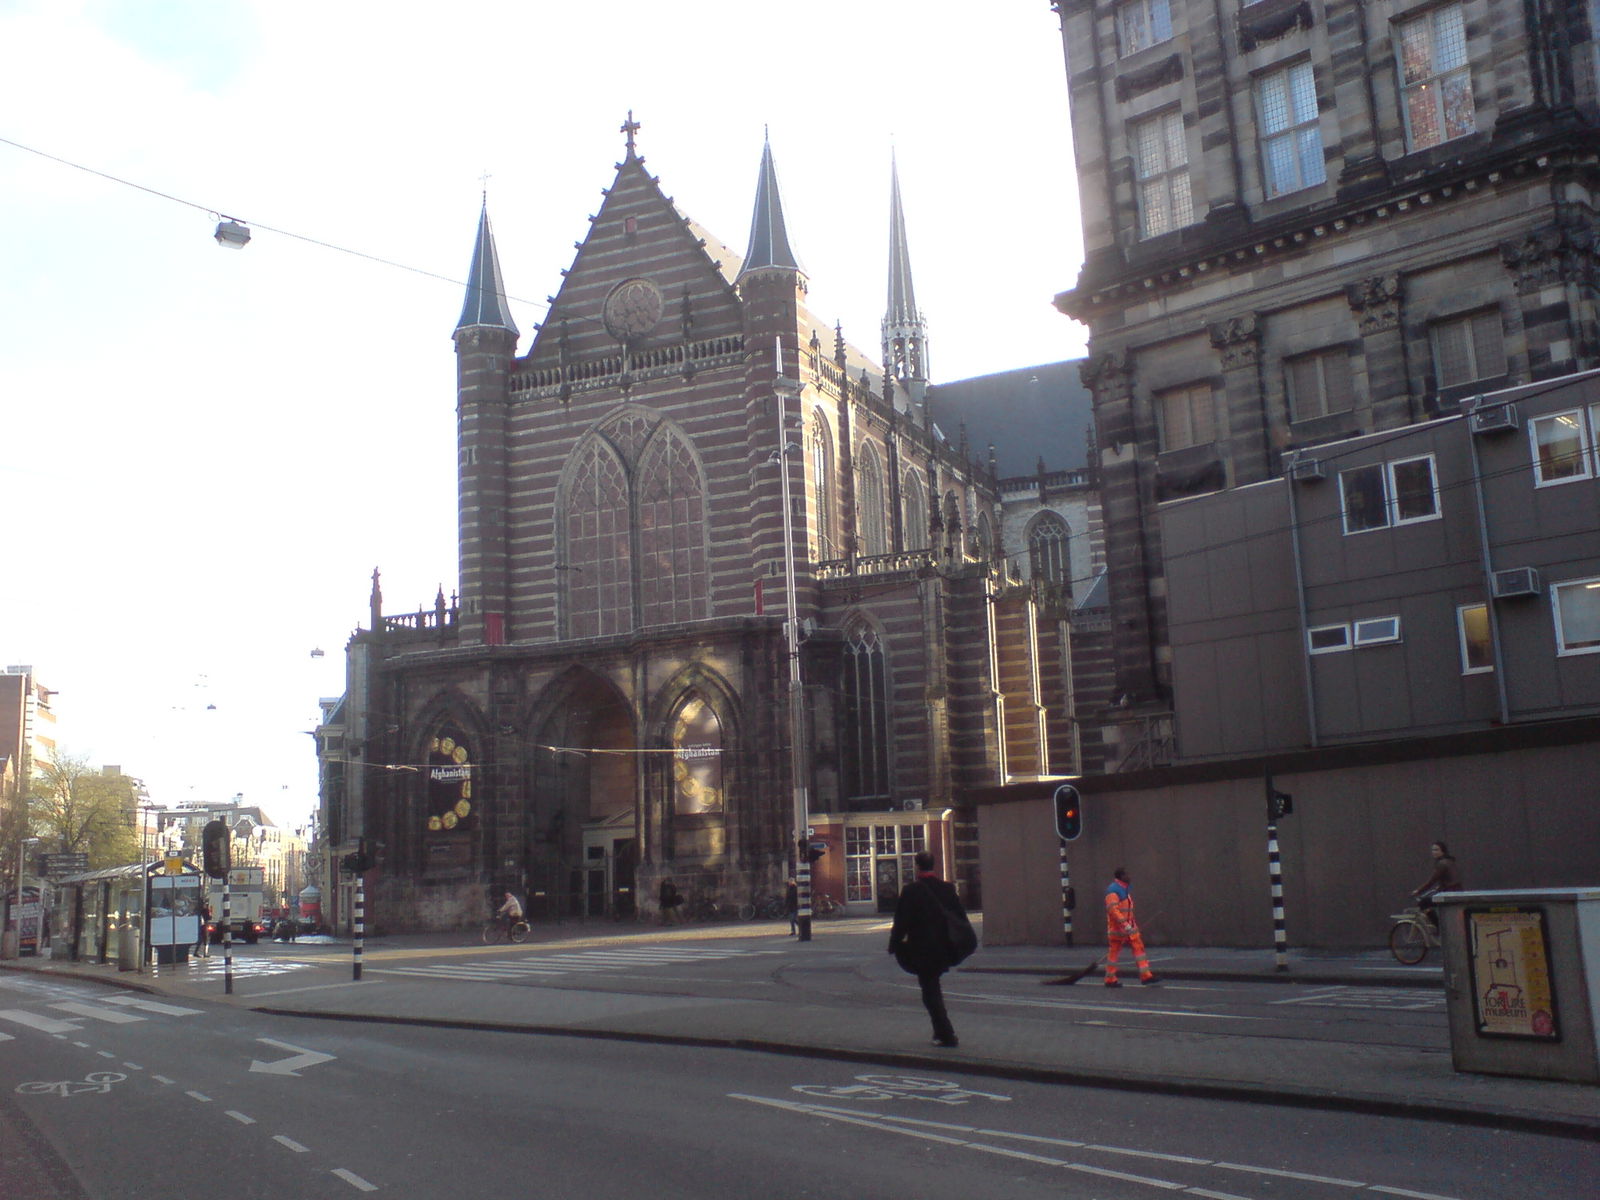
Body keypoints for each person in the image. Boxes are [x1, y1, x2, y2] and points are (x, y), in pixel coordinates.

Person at [887, 851, 965, 1048]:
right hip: (944, 947)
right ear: (934, 865)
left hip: (922, 949)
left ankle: (946, 1034)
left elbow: (901, 921)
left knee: (930, 991)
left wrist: (894, 944)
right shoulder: (947, 889)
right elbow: (960, 917)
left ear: (916, 866)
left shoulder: (911, 891)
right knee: (932, 988)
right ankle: (941, 1032)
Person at [1104, 867, 1159, 987]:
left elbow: (1127, 912)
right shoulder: (1114, 891)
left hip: (1128, 928)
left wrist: (1131, 925)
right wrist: (1126, 925)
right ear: (1121, 876)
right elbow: (1113, 910)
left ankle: (1145, 976)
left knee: (1138, 949)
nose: (1129, 876)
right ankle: (1111, 979)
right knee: (1115, 954)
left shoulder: (1123, 889)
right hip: (1119, 929)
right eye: (1126, 874)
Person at [1411, 841, 1462, 926]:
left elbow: (1431, 881)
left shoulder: (1442, 864)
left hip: (1448, 894)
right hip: (1455, 892)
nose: (1433, 852)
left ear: (1443, 851)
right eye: (1432, 850)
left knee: (1423, 903)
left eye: (1436, 850)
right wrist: (1439, 887)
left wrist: (1418, 891)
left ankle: (1438, 926)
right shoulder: (1450, 861)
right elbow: (1450, 879)